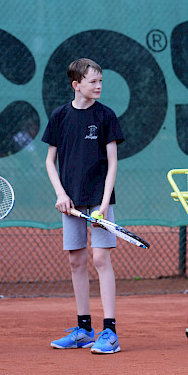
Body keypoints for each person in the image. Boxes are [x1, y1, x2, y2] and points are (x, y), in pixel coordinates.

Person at [43, 58, 125, 355]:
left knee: (101, 260)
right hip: (71, 203)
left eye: (100, 81)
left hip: (98, 202)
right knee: (76, 262)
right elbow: (50, 162)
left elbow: (113, 163)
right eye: (93, 81)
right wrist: (61, 195)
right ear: (76, 84)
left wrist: (102, 207)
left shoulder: (106, 116)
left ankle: (111, 332)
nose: (98, 86)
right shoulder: (60, 116)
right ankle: (84, 330)